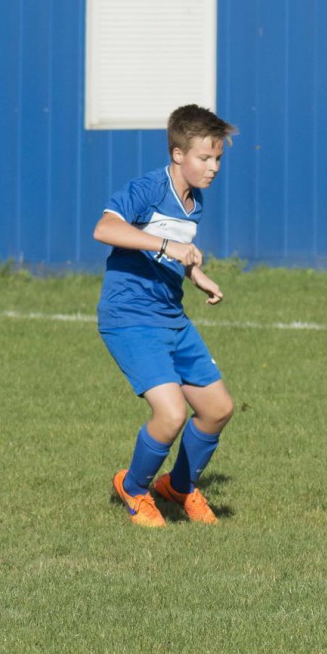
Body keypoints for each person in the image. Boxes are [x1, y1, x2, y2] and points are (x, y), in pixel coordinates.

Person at [95, 105, 237, 527]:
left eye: (217, 159)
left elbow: (176, 249)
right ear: (178, 154)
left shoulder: (195, 200)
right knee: (171, 414)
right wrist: (165, 246)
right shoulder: (148, 189)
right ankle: (134, 488)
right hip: (130, 317)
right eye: (204, 158)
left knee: (218, 409)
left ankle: (178, 486)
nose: (213, 168)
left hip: (171, 317)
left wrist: (196, 274)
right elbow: (105, 229)